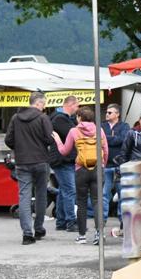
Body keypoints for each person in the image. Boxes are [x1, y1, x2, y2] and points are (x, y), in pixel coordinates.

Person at [5, 92, 60, 245]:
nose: (44, 107)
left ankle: (27, 233)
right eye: (44, 104)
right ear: (38, 103)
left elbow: (8, 140)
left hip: (22, 162)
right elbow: (50, 139)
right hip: (41, 161)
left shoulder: (16, 118)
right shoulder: (43, 118)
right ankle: (39, 228)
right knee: (41, 194)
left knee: (24, 196)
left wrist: (20, 147)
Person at [56, 106, 108, 245]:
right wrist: (102, 165)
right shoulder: (100, 130)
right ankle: (99, 234)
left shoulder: (74, 131)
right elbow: (105, 150)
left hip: (81, 170)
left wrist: (57, 140)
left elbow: (64, 151)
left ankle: (82, 235)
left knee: (81, 202)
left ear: (79, 117)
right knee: (97, 201)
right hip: (98, 169)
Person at [50, 95, 79, 232]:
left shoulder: (63, 118)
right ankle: (70, 221)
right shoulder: (60, 119)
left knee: (63, 191)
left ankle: (61, 222)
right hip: (63, 160)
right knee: (70, 191)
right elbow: (73, 134)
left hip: (63, 159)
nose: (77, 109)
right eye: (77, 106)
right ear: (71, 104)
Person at [97, 104, 129, 226]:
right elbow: (99, 139)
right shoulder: (102, 126)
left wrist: (106, 139)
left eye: (110, 112)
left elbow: (123, 139)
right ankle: (102, 221)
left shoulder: (124, 126)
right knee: (104, 194)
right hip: (105, 165)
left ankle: (123, 222)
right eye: (107, 112)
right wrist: (113, 139)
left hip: (119, 165)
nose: (107, 114)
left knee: (122, 194)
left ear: (117, 114)